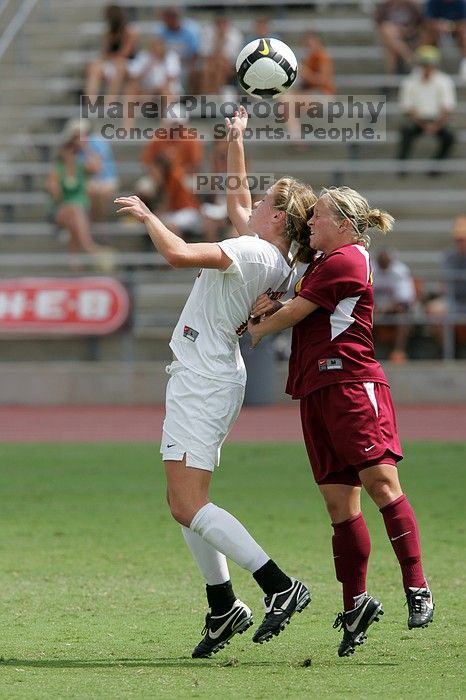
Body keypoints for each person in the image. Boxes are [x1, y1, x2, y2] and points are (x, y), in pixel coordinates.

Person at [114, 106, 316, 659]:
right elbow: (238, 203)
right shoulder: (272, 256)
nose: (255, 204)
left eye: (267, 200)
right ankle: (223, 602)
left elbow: (180, 253)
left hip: (203, 377)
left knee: (187, 505)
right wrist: (236, 141)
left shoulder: (252, 250)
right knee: (184, 500)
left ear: (277, 218)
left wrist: (148, 215)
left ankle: (279, 585)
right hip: (210, 373)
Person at [248, 186, 434, 658]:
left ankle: (417, 587)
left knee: (381, 485)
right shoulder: (319, 262)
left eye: (319, 216)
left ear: (346, 224)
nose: (310, 223)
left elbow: (294, 312)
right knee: (339, 507)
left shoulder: (349, 257)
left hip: (352, 385)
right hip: (316, 392)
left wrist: (258, 325)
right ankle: (355, 605)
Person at [47, 125, 114, 269]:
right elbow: (54, 193)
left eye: (74, 150)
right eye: (69, 150)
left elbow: (98, 167)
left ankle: (74, 261)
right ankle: (90, 247)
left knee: (74, 222)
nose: (71, 154)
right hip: (62, 210)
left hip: (78, 211)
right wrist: (54, 188)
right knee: (74, 211)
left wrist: (86, 147)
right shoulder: (58, 169)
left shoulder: (80, 167)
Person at [398, 44, 456, 174]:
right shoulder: (410, 81)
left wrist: (436, 125)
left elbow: (447, 109)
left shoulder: (444, 81)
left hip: (437, 119)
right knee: (406, 133)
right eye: (425, 64)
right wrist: (424, 125)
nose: (428, 67)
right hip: (417, 120)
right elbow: (408, 109)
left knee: (449, 138)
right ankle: (402, 168)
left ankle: (436, 169)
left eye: (430, 64)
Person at [372, 249, 417, 363]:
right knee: (362, 313)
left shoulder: (400, 271)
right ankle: (366, 352)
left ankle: (398, 352)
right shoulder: (369, 268)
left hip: (394, 308)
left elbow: (404, 299)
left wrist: (384, 309)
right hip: (373, 307)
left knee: (402, 315)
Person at [85, 3, 139, 97]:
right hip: (113, 62)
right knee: (94, 67)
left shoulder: (130, 31)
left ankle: (110, 103)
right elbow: (104, 53)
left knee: (119, 66)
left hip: (129, 64)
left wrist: (110, 57)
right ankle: (90, 104)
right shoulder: (108, 33)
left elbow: (124, 54)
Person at [374, 0, 424, 75]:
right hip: (391, 35)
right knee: (387, 31)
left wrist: (406, 29)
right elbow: (379, 23)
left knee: (390, 46)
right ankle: (411, 60)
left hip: (409, 35)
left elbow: (420, 22)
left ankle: (390, 79)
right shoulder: (386, 5)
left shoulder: (412, 5)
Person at [423, 0, 466, 76]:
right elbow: (427, 21)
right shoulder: (433, 2)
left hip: (456, 31)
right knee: (428, 34)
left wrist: (451, 26)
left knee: (464, 33)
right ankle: (426, 62)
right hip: (437, 31)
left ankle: (465, 62)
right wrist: (439, 25)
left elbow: (463, 22)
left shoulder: (461, 2)